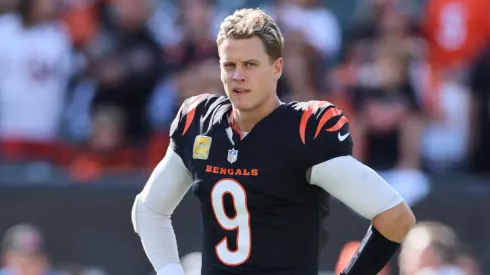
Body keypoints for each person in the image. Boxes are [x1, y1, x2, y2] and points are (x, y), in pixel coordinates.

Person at [132, 8, 415, 275]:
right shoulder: (200, 121)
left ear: (277, 68)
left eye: (250, 64)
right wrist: (169, 270)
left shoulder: (303, 131)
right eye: (229, 65)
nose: (238, 75)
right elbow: (148, 210)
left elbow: (395, 217)